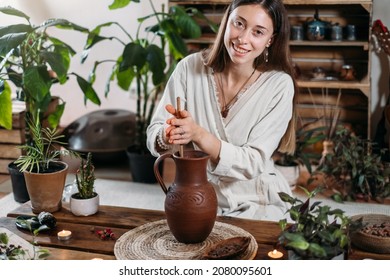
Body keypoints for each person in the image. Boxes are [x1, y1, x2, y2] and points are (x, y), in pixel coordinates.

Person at [146, 0, 297, 221]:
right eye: (239, 24)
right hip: (201, 198)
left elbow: (253, 162)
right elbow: (154, 135)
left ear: (270, 40)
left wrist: (198, 134)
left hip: (260, 201)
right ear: (227, 22)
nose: (243, 39)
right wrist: (168, 135)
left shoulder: (279, 85)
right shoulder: (189, 67)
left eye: (258, 32)